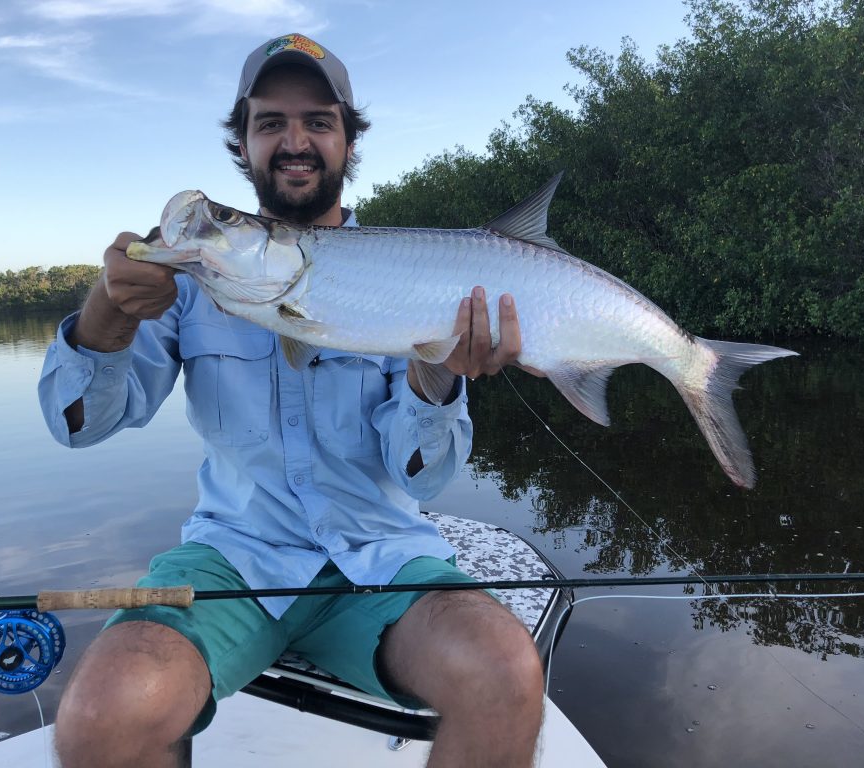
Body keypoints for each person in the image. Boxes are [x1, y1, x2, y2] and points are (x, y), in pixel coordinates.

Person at [38, 32, 545, 768]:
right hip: (233, 559)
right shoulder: (193, 277)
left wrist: (437, 375)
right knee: (100, 715)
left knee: (505, 671)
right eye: (270, 122)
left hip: (381, 558)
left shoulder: (407, 273)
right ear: (243, 144)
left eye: (318, 121)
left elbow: (422, 481)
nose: (294, 140)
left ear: (347, 141)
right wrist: (106, 314)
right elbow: (76, 427)